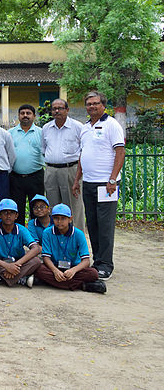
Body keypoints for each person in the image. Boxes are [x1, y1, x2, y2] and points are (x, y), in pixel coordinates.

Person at [72, 91, 125, 281]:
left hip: (106, 185)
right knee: (92, 224)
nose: (92, 107)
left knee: (105, 225)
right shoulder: (85, 127)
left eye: (95, 103)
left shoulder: (112, 125)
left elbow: (120, 152)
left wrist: (112, 180)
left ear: (103, 104)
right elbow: (82, 155)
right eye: (88, 104)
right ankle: (97, 260)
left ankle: (106, 265)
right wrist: (77, 179)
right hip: (89, 183)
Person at [36, 204, 105, 293]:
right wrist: (55, 271)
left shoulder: (78, 234)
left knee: (93, 273)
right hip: (54, 266)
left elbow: (86, 261)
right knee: (38, 269)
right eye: (56, 218)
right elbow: (46, 257)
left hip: (73, 267)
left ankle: (49, 282)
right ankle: (82, 285)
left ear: (70, 219)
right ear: (52, 218)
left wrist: (73, 271)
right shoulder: (47, 232)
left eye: (63, 218)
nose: (59, 221)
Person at [42, 98, 85, 232]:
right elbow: (44, 150)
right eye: (54, 108)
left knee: (74, 205)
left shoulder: (77, 127)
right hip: (51, 170)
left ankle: (76, 239)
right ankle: (56, 238)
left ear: (67, 110)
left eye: (60, 108)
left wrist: (78, 176)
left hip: (71, 170)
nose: (57, 111)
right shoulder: (46, 128)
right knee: (53, 206)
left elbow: (83, 151)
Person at [0, 198, 41, 288]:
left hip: (17, 262)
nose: (8, 216)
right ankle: (20, 278)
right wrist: (6, 266)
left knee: (36, 261)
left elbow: (36, 248)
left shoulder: (21, 229)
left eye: (11, 213)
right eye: (5, 212)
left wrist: (15, 265)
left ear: (16, 215)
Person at [9, 104, 45, 224]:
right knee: (17, 208)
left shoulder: (41, 133)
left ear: (34, 116)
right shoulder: (10, 133)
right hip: (15, 177)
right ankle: (19, 237)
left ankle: (37, 238)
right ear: (18, 116)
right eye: (22, 113)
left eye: (28, 113)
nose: (25, 115)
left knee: (38, 208)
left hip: (36, 176)